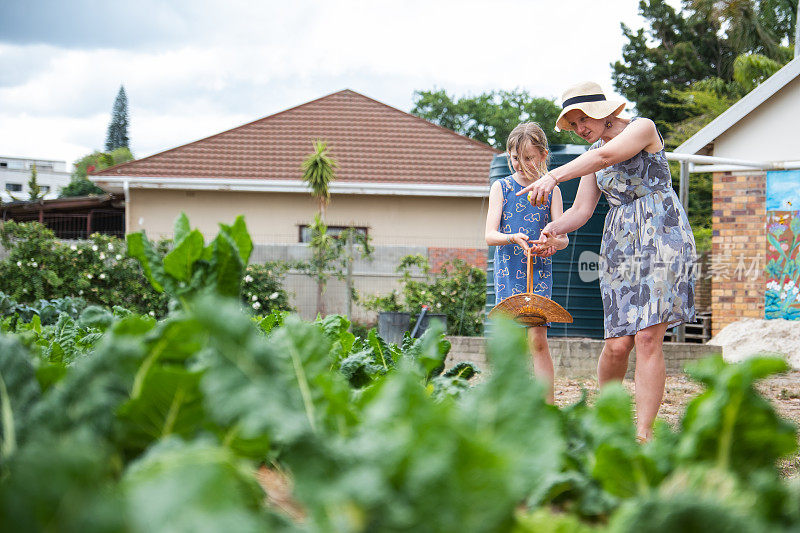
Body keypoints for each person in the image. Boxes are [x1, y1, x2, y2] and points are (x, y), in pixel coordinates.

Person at [522, 81, 696, 441]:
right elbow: (582, 211)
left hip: (662, 233)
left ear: (602, 112)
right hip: (619, 242)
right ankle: (610, 418)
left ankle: (644, 432)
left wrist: (553, 175)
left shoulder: (642, 128)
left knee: (648, 336)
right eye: (572, 125)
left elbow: (606, 157)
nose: (579, 129)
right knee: (618, 343)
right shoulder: (591, 158)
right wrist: (552, 231)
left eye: (582, 119)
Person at [485, 122, 569, 404]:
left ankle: (547, 407)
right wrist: (512, 238)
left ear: (543, 155)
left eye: (528, 158)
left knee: (537, 339)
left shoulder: (552, 191)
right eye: (515, 159)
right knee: (511, 342)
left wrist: (550, 243)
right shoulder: (502, 187)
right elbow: (490, 235)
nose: (520, 165)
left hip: (539, 274)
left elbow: (563, 239)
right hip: (508, 272)